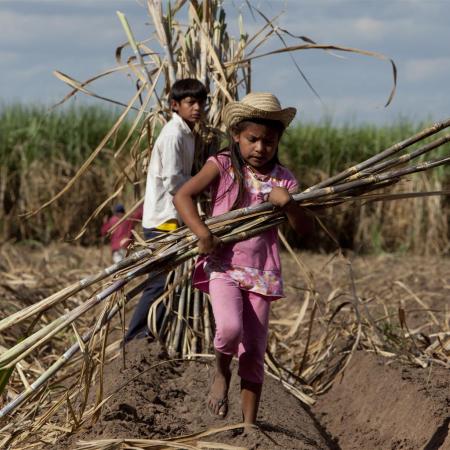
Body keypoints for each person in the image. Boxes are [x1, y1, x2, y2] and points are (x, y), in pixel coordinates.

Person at [173, 92, 311, 425]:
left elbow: (305, 230)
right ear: (236, 135)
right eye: (252, 140)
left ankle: (249, 426)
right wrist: (202, 233)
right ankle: (221, 371)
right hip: (225, 266)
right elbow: (183, 196)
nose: (260, 148)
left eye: (269, 142)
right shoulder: (221, 165)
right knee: (230, 329)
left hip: (262, 273)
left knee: (253, 351)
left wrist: (289, 204)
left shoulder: (283, 179)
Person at [125, 78, 208, 342]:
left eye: (201, 102)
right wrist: (203, 188)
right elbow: (174, 183)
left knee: (168, 281)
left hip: (172, 217)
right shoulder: (174, 135)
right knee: (159, 282)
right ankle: (137, 336)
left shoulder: (187, 133)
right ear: (175, 105)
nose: (197, 108)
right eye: (190, 102)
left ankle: (150, 334)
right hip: (164, 218)